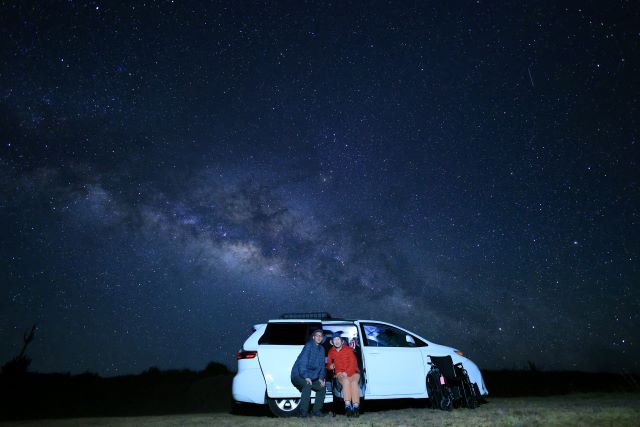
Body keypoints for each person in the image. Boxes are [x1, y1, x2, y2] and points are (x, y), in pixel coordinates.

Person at [290, 329, 327, 417]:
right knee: (307, 384)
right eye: (317, 335)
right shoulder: (309, 346)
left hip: (312, 377)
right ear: (313, 337)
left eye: (320, 336)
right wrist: (306, 376)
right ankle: (303, 411)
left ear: (322, 338)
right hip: (298, 375)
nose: (319, 337)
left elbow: (322, 366)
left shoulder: (322, 349)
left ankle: (316, 411)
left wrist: (321, 379)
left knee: (322, 387)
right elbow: (302, 363)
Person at [327, 332, 361, 417]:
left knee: (353, 383)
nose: (337, 341)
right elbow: (328, 365)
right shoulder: (331, 352)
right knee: (345, 381)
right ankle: (348, 406)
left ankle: (356, 407)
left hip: (353, 372)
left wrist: (347, 372)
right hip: (340, 374)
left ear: (341, 341)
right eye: (335, 340)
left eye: (338, 339)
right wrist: (330, 366)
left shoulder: (348, 349)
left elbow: (353, 363)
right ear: (332, 342)